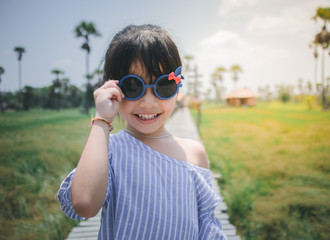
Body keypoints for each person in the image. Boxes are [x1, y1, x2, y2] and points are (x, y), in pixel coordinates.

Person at [56, 24, 226, 239]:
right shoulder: (111, 152)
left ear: (177, 86)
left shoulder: (194, 153)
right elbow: (85, 204)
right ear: (112, 88)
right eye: (133, 87)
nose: (148, 103)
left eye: (163, 86)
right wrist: (102, 120)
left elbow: (207, 225)